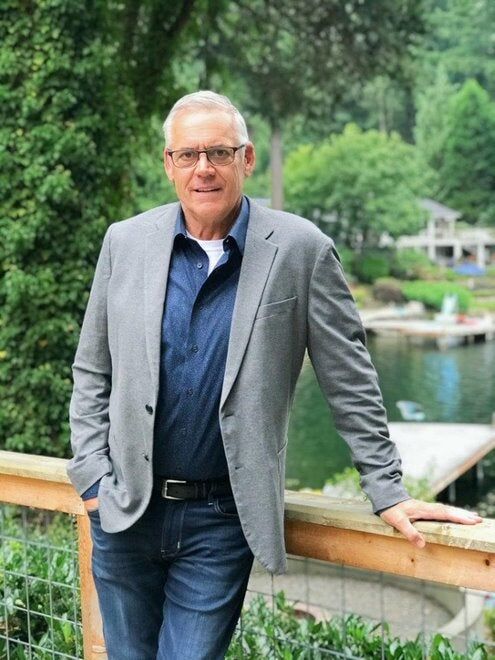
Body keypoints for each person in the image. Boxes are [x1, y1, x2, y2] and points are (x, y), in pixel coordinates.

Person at [67, 91, 482, 660]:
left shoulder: (301, 249)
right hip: (124, 510)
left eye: (219, 152)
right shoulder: (125, 241)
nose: (204, 168)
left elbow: (350, 380)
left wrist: (386, 489)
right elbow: (93, 368)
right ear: (168, 164)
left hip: (219, 521)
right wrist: (92, 476)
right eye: (188, 154)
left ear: (247, 158)